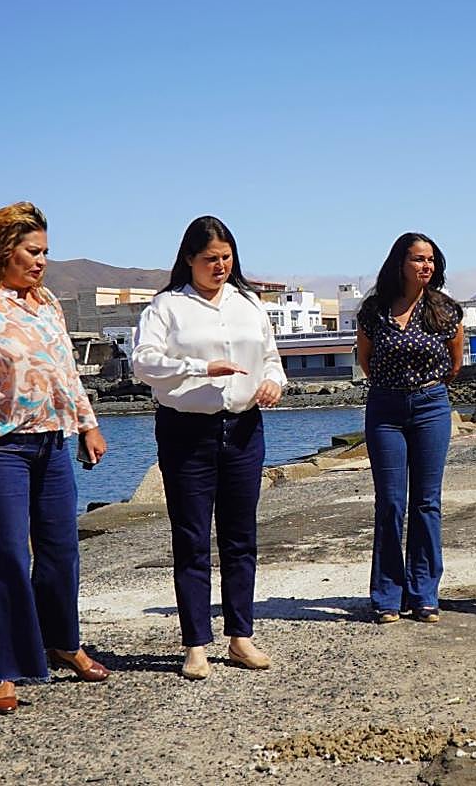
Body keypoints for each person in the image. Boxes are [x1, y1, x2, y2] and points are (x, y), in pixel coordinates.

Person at [0, 202, 111, 715]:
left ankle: (63, 641)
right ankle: (4, 669)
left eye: (45, 253)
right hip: (2, 448)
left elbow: (64, 370)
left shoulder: (47, 303)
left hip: (53, 443)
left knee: (61, 550)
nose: (41, 262)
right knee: (6, 556)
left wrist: (87, 423)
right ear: (3, 250)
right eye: (32, 252)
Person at [132, 216, 286, 680]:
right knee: (193, 540)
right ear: (188, 260)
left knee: (241, 539)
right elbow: (143, 363)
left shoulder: (250, 303)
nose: (220, 267)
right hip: (187, 434)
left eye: (226, 258)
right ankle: (196, 643)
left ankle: (241, 637)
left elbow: (272, 360)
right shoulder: (167, 307)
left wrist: (275, 383)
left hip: (243, 431)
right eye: (209, 260)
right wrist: (202, 368)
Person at [356, 233, 464, 624]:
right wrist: (394, 387)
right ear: (400, 263)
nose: (427, 266)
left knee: (426, 502)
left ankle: (424, 594)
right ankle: (387, 594)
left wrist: (425, 389)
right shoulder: (374, 311)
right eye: (419, 259)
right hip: (385, 409)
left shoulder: (445, 310)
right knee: (390, 503)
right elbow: (365, 360)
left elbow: (455, 364)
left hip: (431, 406)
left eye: (431, 260)